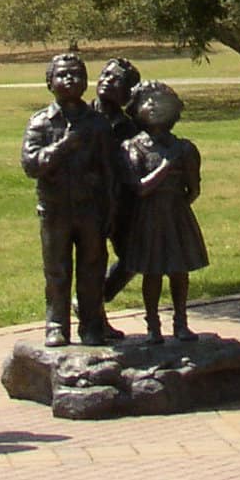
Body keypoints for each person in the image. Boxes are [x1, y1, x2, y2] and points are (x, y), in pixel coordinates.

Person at [20, 52, 118, 347]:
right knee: (57, 271)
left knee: (92, 269)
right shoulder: (40, 122)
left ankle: (91, 326)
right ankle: (56, 325)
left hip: (90, 210)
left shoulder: (98, 125)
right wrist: (63, 146)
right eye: (62, 75)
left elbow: (110, 171)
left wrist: (112, 210)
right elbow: (30, 164)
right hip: (55, 210)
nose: (69, 79)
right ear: (49, 82)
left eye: (76, 74)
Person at [119, 81, 208, 343]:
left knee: (179, 271)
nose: (155, 107)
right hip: (147, 217)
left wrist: (176, 202)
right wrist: (167, 167)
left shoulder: (186, 148)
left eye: (162, 102)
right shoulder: (132, 148)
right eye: (148, 101)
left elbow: (193, 189)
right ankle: (152, 326)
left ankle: (181, 322)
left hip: (175, 214)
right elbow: (138, 188)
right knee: (152, 271)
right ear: (135, 110)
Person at [97, 56, 143, 314]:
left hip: (122, 204)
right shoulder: (82, 116)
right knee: (90, 262)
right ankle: (94, 317)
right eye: (105, 75)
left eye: (117, 80)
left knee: (134, 257)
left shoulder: (131, 129)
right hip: (89, 201)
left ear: (127, 94)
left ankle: (94, 301)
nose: (107, 81)